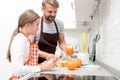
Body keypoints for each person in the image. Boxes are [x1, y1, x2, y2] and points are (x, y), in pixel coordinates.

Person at [6, 9, 56, 80]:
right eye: (37, 25)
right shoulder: (20, 40)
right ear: (28, 25)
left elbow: (27, 67)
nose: (38, 28)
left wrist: (43, 65)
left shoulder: (25, 39)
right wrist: (42, 67)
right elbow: (17, 70)